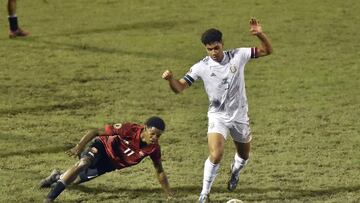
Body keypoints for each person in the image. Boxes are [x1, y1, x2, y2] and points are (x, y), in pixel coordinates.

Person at [162, 18, 273, 202]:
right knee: (216, 154)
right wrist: (170, 80)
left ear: (223, 44)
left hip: (239, 115)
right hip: (217, 116)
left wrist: (259, 34)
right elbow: (180, 87)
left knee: (244, 155)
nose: (213, 52)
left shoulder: (238, 55)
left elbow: (267, 50)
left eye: (216, 48)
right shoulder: (201, 67)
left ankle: (235, 172)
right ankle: (204, 194)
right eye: (209, 49)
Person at [39, 116, 173, 202]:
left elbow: (159, 171)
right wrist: (79, 147)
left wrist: (169, 194)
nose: (155, 138)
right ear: (145, 128)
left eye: (158, 136)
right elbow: (95, 132)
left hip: (109, 164)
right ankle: (50, 198)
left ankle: (56, 176)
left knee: (74, 180)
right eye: (153, 134)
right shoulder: (129, 129)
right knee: (83, 163)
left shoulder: (154, 149)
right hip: (102, 147)